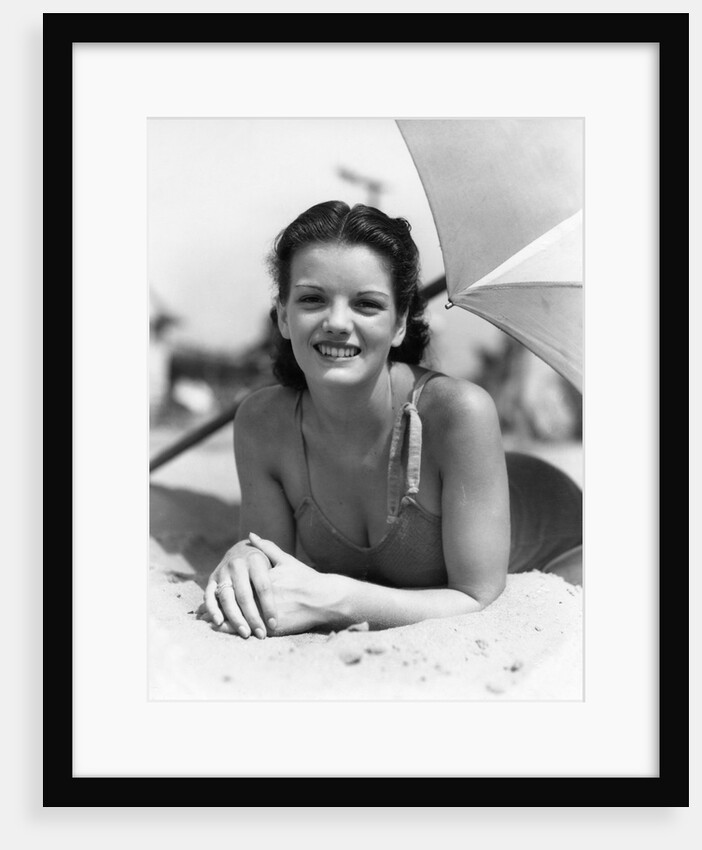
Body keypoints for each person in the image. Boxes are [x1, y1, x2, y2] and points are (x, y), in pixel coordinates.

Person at [198, 200, 582, 639]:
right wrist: (244, 557)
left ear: (400, 324)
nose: (337, 322)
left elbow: (475, 597)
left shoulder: (459, 412)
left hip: (567, 535)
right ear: (284, 315)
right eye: (311, 299)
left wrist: (335, 598)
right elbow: (272, 561)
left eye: (366, 304)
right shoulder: (261, 423)